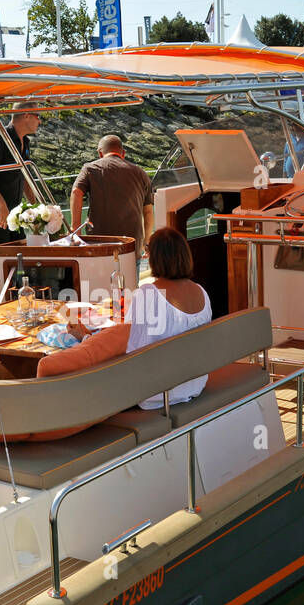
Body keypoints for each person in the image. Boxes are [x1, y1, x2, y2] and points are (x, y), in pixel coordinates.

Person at [125, 227, 212, 409]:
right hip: (195, 383)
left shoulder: (148, 294)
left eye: (148, 250)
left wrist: (86, 337)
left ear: (155, 258)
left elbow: (130, 350)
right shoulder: (201, 291)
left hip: (158, 393)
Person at [0, 108, 41, 266]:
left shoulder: (25, 142)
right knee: (0, 257)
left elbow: (24, 175)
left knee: (19, 255)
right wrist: (1, 204)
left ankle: (19, 288)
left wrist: (35, 206)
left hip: (15, 208)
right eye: (38, 116)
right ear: (26, 115)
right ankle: (0, 289)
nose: (40, 121)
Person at [70, 135, 153, 257]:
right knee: (131, 274)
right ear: (123, 153)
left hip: (99, 242)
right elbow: (148, 212)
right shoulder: (141, 173)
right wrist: (146, 242)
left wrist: (76, 228)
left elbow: (76, 192)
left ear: (100, 153)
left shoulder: (90, 168)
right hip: (132, 244)